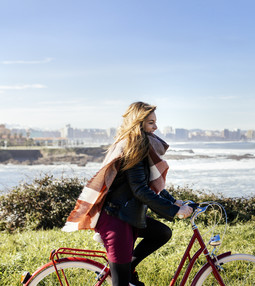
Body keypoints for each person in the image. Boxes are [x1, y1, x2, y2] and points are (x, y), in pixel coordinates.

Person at [65, 101, 193, 286]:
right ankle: (126, 274)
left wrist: (175, 202)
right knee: (121, 284)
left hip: (128, 215)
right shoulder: (135, 147)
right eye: (151, 122)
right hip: (116, 220)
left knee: (162, 233)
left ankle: (129, 270)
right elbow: (140, 190)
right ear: (138, 123)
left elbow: (148, 184)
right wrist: (174, 211)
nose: (156, 127)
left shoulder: (137, 144)